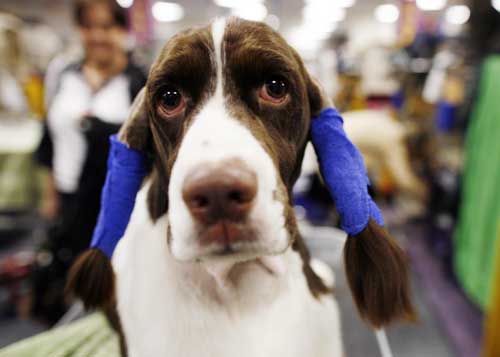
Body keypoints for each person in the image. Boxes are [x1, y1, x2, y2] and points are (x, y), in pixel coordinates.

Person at [32, 0, 147, 324]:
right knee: (69, 278)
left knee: (117, 284)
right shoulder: (64, 75)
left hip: (117, 202)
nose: (98, 35)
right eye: (90, 26)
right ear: (80, 31)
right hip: (69, 198)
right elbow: (49, 137)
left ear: (122, 31)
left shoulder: (137, 81)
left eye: (107, 26)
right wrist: (49, 193)